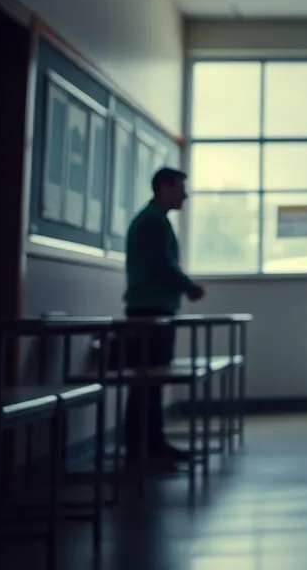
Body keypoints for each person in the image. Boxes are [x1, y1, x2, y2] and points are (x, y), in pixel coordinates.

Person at [122, 167, 205, 465]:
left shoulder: (155, 221)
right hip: (149, 313)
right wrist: (189, 287)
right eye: (180, 187)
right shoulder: (152, 222)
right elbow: (161, 264)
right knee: (147, 382)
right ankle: (142, 448)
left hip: (154, 310)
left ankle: (151, 444)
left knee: (151, 382)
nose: (185, 194)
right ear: (164, 188)